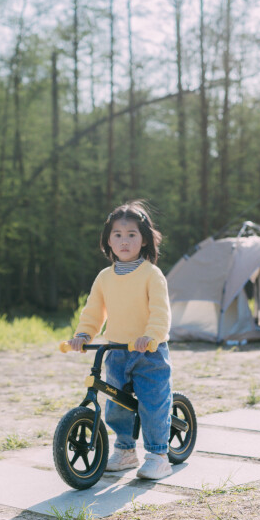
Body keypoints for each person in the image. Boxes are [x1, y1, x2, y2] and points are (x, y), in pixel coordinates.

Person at [66, 201, 174, 480]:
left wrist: (151, 336)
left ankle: (159, 454)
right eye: (117, 235)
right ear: (108, 240)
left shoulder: (151, 274)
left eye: (131, 235)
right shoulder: (105, 277)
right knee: (116, 406)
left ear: (144, 239)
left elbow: (160, 312)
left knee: (153, 403)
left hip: (148, 351)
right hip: (116, 350)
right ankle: (126, 450)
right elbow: (94, 310)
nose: (124, 241)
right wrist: (83, 335)